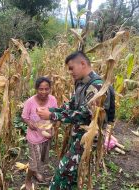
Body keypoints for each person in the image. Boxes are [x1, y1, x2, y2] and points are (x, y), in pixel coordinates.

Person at [37, 51, 110, 189]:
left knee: (65, 171)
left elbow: (85, 115)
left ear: (82, 64)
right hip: (78, 135)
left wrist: (53, 116)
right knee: (71, 174)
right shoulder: (81, 83)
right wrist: (52, 111)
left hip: (87, 139)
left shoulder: (97, 87)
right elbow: (71, 105)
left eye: (71, 68)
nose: (70, 72)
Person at [22, 77, 58, 189]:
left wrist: (52, 130)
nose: (44, 92)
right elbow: (24, 117)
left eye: (46, 89)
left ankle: (37, 172)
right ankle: (28, 180)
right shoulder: (30, 102)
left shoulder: (52, 100)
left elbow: (54, 117)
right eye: (41, 89)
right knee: (33, 163)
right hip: (34, 137)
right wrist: (29, 123)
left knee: (42, 159)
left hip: (46, 136)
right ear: (36, 89)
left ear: (50, 89)